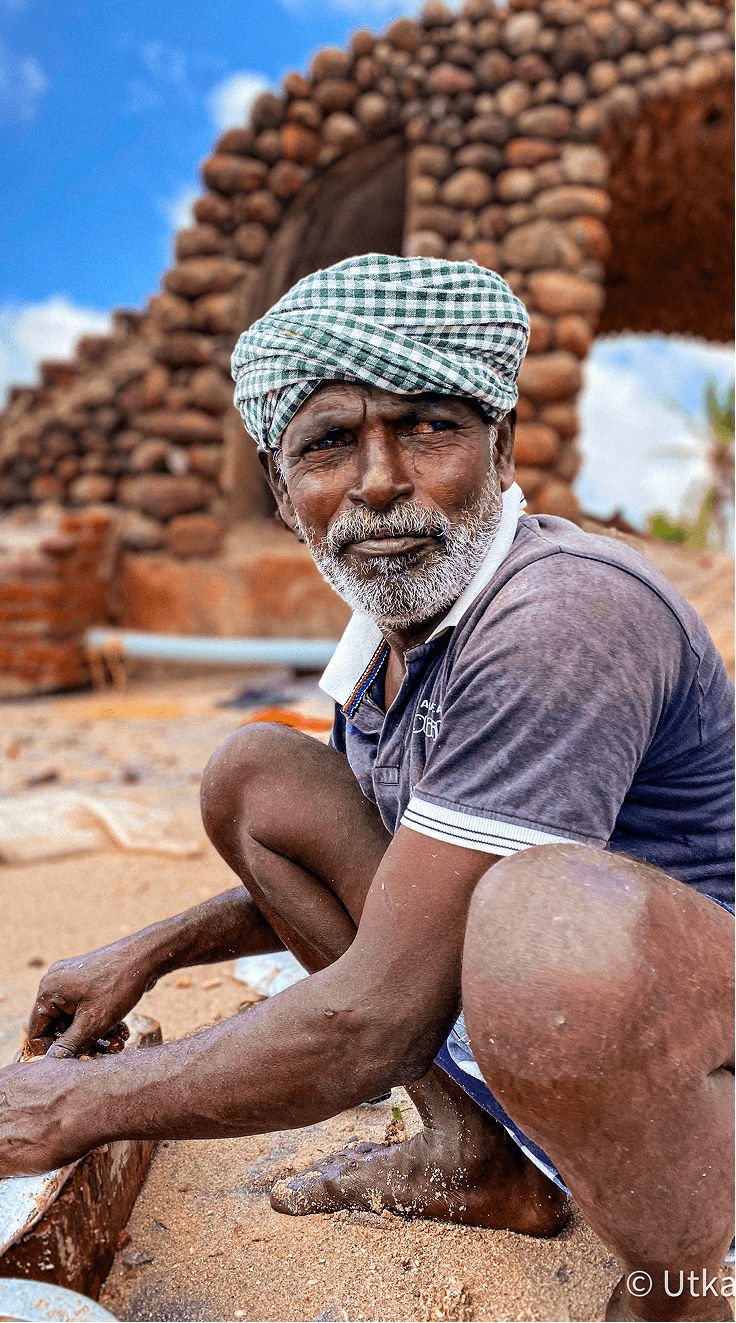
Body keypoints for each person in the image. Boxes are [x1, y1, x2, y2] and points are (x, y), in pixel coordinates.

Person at [1, 256, 733, 1323]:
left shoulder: (561, 617)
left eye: (429, 426)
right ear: (280, 483)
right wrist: (150, 951)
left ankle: (681, 1287)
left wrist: (76, 1106)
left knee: (541, 924)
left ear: (502, 446)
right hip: (540, 1019)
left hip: (690, 1066)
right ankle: (480, 1160)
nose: (379, 480)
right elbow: (422, 879)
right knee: (259, 774)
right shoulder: (391, 642)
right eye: (330, 444)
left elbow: (376, 1019)